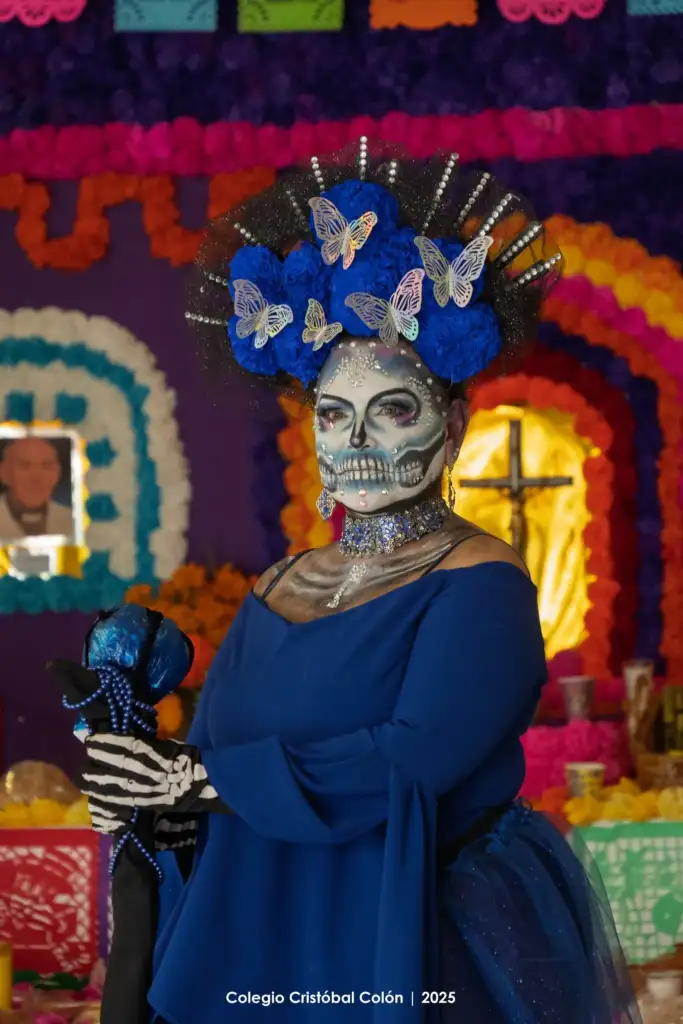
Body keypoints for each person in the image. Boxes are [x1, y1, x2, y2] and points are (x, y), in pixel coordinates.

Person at [78, 145, 640, 1023]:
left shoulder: (481, 581)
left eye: (394, 409)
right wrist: (143, 788)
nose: (358, 441)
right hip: (271, 921)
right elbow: (213, 759)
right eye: (335, 415)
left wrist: (192, 781)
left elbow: (411, 759)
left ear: (453, 427)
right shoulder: (278, 584)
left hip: (416, 928)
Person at [0, 436, 73, 539]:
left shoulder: (74, 520)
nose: (37, 477)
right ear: (4, 473)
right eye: (24, 466)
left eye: (47, 466)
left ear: (58, 473)